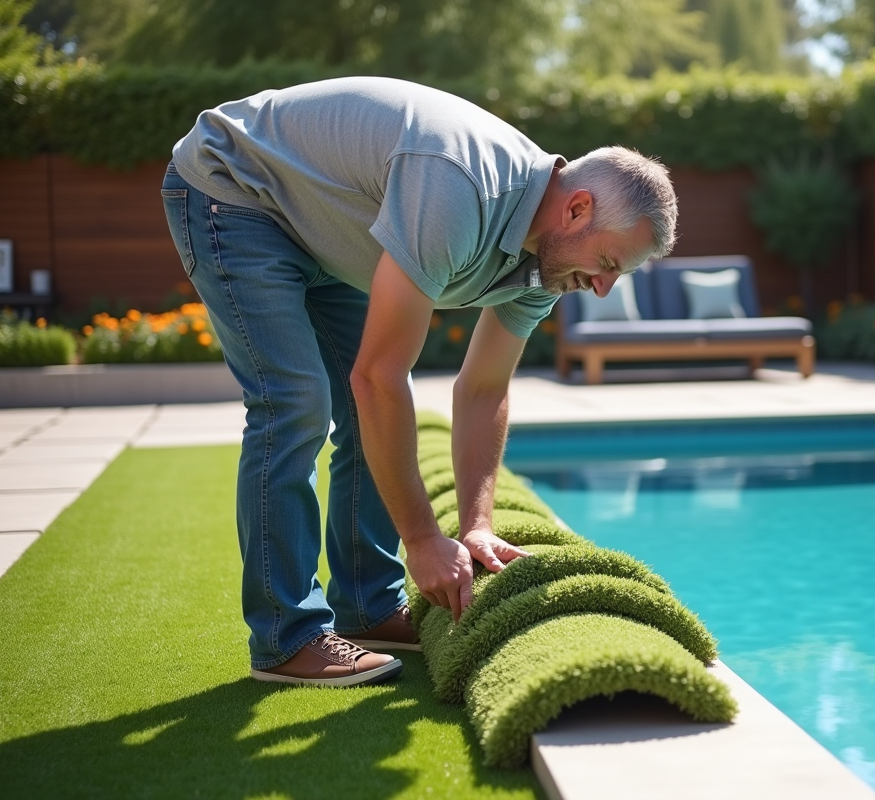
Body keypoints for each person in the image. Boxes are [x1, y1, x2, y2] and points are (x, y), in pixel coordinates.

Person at [161, 77, 678, 687]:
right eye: (609, 263)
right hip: (237, 187)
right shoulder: (459, 189)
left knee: (362, 415)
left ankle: (367, 607)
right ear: (577, 208)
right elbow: (379, 376)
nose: (602, 287)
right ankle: (286, 637)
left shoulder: (548, 266)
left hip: (326, 226)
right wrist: (424, 540)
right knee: (295, 401)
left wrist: (476, 524)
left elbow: (483, 389)